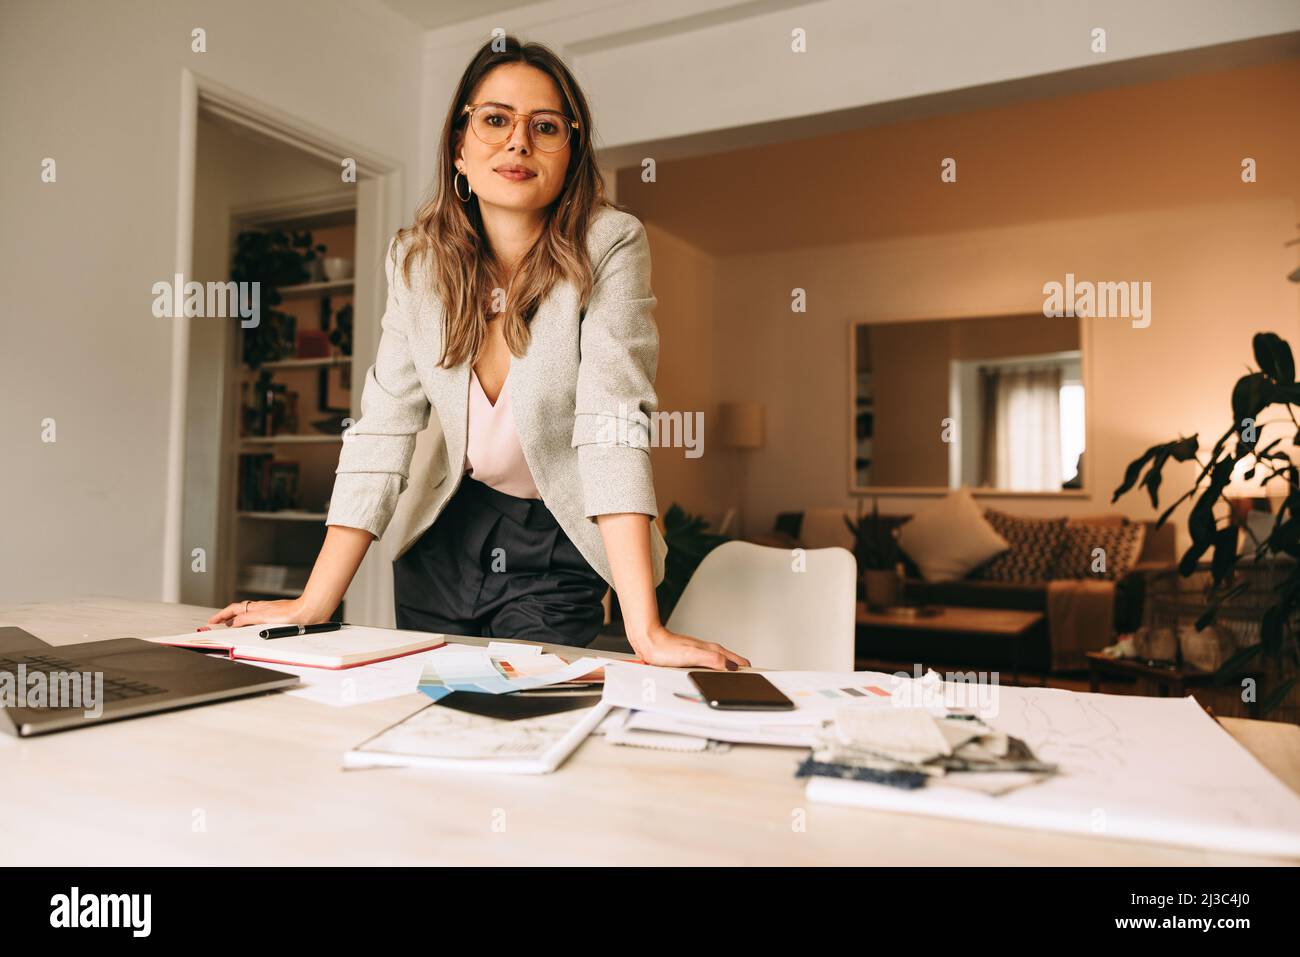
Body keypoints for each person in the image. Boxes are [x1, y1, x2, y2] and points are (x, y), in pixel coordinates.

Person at [210, 35, 749, 671]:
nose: (518, 141)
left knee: (528, 710)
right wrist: (313, 602)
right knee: (434, 705)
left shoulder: (610, 244)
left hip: (551, 536)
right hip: (441, 530)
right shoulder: (415, 263)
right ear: (459, 150)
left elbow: (611, 428)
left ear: (570, 155)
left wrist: (645, 631)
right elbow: (383, 429)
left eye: (544, 126)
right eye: (495, 119)